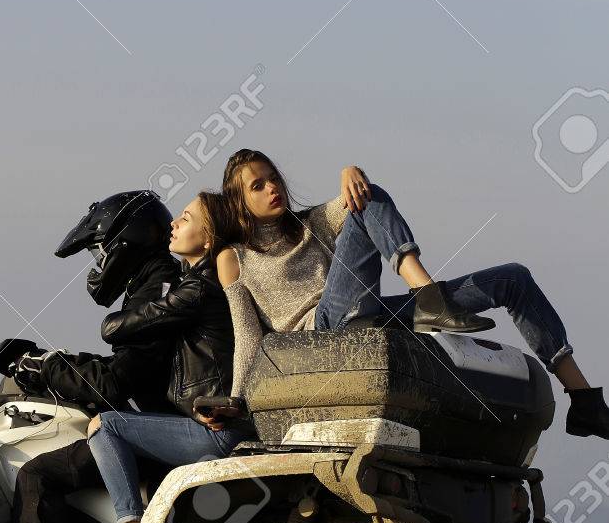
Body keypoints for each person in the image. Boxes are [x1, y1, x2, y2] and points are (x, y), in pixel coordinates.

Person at [216, 148, 609, 439]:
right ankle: (428, 295)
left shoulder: (312, 223)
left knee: (514, 279)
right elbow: (247, 337)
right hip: (320, 338)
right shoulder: (235, 257)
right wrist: (236, 401)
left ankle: (584, 400)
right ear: (239, 204)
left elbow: (358, 191)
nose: (273, 188)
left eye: (273, 178)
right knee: (364, 202)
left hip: (368, 317)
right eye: (258, 185)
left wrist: (350, 169)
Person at [0, 190, 180, 523]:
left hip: (163, 430)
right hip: (163, 419)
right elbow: (129, 370)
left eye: (99, 250)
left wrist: (46, 366)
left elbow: (116, 382)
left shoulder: (158, 291)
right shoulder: (160, 283)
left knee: (36, 477)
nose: (98, 263)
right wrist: (64, 366)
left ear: (126, 239)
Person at [86, 191, 251, 523]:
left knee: (104, 427)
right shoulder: (195, 283)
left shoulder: (198, 288)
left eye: (186, 218)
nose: (174, 224)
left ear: (208, 240)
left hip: (219, 433)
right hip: (212, 421)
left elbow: (114, 328)